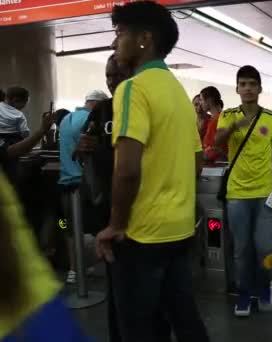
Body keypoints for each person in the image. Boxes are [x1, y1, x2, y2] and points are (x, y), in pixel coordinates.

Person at [94, 2, 209, 341]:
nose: (115, 44)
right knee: (184, 319)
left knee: (138, 330)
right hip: (179, 230)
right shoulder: (177, 91)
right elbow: (197, 161)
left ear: (144, 39)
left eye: (120, 34)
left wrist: (115, 224)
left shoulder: (133, 88)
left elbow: (126, 169)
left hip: (141, 235)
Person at [215, 65, 272, 317]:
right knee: (242, 249)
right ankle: (244, 295)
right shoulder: (228, 115)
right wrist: (235, 126)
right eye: (243, 84)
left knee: (264, 248)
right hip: (237, 194)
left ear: (259, 89)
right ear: (236, 88)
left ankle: (263, 290)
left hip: (265, 192)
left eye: (252, 84)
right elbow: (216, 142)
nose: (247, 88)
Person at [75, 54, 134, 342]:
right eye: (108, 76)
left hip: (142, 211)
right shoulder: (102, 111)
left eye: (118, 74)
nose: (112, 81)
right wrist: (83, 147)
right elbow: (82, 149)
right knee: (117, 288)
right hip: (108, 211)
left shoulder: (140, 106)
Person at [0, 171, 90, 341]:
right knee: (63, 226)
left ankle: (70, 264)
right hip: (34, 304)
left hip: (32, 302)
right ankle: (69, 263)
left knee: (64, 227)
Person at [58, 90, 108, 284]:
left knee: (68, 227)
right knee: (100, 225)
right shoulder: (92, 120)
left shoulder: (65, 119)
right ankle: (104, 263)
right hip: (87, 184)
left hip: (65, 183)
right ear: (97, 104)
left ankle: (74, 269)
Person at [200, 86, 226, 164]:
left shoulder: (217, 120)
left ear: (208, 101)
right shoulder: (214, 119)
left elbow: (214, 149)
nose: (200, 103)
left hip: (217, 165)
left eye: (201, 99)